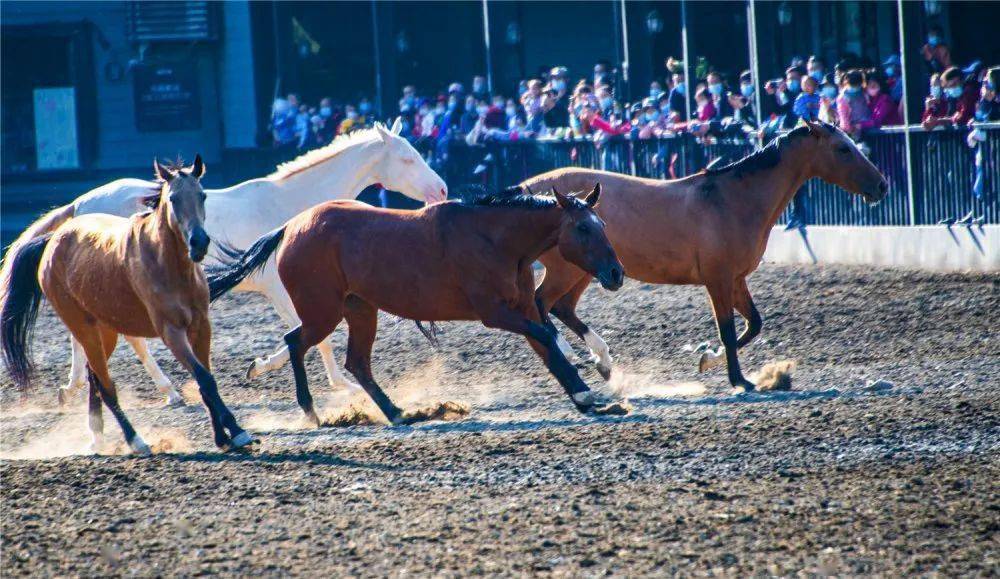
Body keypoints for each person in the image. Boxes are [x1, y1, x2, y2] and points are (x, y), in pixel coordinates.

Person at [836, 69, 871, 137]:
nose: (856, 88)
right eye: (853, 85)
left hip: (867, 127)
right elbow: (843, 116)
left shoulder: (864, 93)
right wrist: (850, 129)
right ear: (847, 83)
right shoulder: (843, 98)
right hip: (852, 130)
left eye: (858, 85)